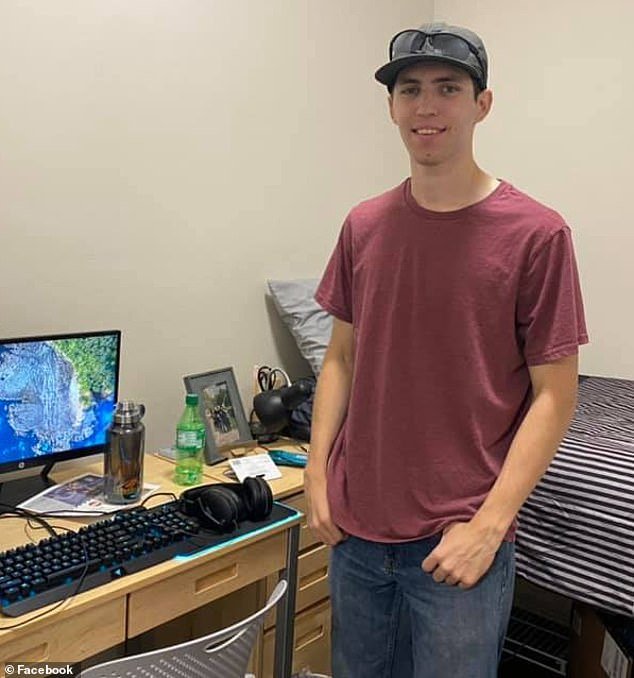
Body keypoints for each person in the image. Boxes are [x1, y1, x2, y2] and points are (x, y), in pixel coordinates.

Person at [305, 21, 588, 678]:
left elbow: (555, 395)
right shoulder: (364, 224)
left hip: (458, 540)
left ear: (482, 104)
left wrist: (490, 526)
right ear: (391, 107)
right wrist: (317, 474)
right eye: (410, 90)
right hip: (354, 532)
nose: (426, 106)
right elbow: (341, 357)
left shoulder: (537, 234)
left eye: (447, 88)